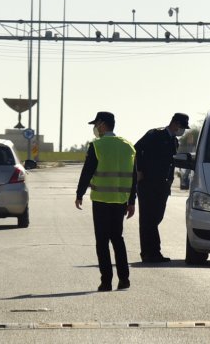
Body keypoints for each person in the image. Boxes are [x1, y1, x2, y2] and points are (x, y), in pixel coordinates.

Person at [75, 111, 137, 291]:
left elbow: (87, 171)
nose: (95, 128)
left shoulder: (97, 146)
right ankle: (124, 279)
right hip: (120, 201)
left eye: (96, 124)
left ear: (102, 124)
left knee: (102, 241)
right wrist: (132, 201)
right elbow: (133, 176)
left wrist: (79, 194)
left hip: (101, 200)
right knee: (117, 239)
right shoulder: (128, 146)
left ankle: (106, 281)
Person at [134, 112, 190, 263]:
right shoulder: (155, 134)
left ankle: (152, 252)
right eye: (182, 127)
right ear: (175, 123)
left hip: (163, 185)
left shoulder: (174, 141)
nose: (182, 131)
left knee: (156, 217)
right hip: (148, 182)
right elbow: (136, 149)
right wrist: (139, 170)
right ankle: (149, 253)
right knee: (148, 219)